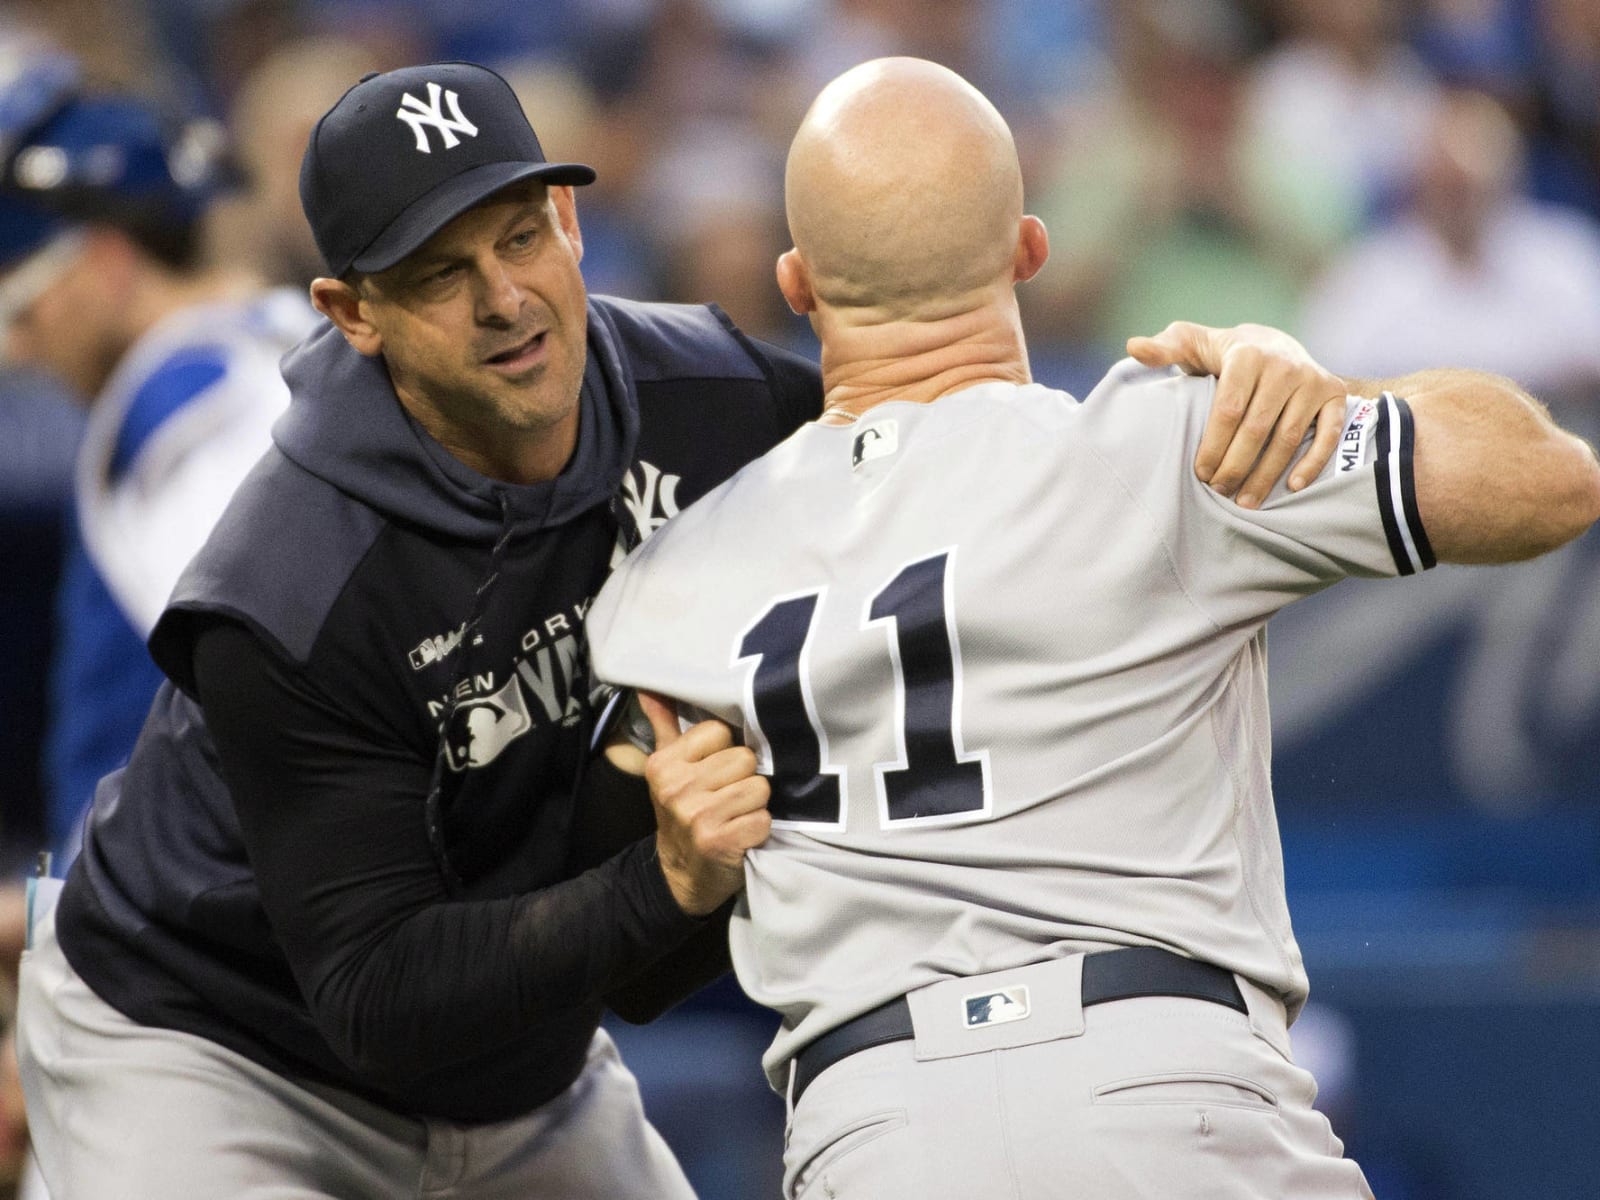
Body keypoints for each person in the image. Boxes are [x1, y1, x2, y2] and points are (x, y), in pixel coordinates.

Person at [585, 57, 1600, 1198]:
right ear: (1028, 249)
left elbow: (600, 926)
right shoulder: (1174, 445)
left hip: (872, 1125)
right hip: (1163, 1086)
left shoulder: (666, 579)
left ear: (797, 282)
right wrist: (1323, 382)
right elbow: (1548, 479)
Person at [12, 60, 820, 1199]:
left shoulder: (704, 391)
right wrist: (663, 885)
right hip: (211, 1043)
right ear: (352, 315)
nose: (503, 299)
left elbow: (928, 433)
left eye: (521, 236)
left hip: (509, 1055)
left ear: (572, 220)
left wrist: (1149, 433)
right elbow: (378, 993)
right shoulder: (290, 584)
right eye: (441, 272)